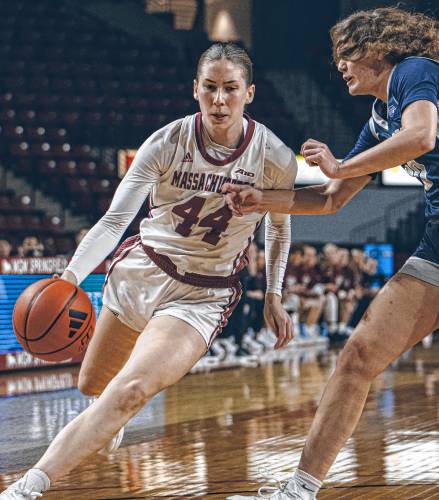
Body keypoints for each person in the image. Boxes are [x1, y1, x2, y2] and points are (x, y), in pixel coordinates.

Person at [0, 42, 295, 499]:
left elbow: (278, 228)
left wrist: (273, 294)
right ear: (195, 89)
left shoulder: (274, 156)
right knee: (94, 384)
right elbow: (116, 221)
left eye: (231, 89)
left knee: (131, 388)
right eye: (211, 89)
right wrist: (70, 279)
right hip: (143, 271)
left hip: (203, 293)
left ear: (249, 93)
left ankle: (27, 487)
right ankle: (109, 409)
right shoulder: (165, 142)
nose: (220, 100)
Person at [223, 7, 439, 499]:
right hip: (436, 238)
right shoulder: (379, 120)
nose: (339, 65)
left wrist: (340, 167)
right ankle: (299, 490)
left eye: (346, 53)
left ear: (378, 49)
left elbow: (422, 135)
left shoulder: (415, 72)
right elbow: (330, 199)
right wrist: (264, 199)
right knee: (359, 354)